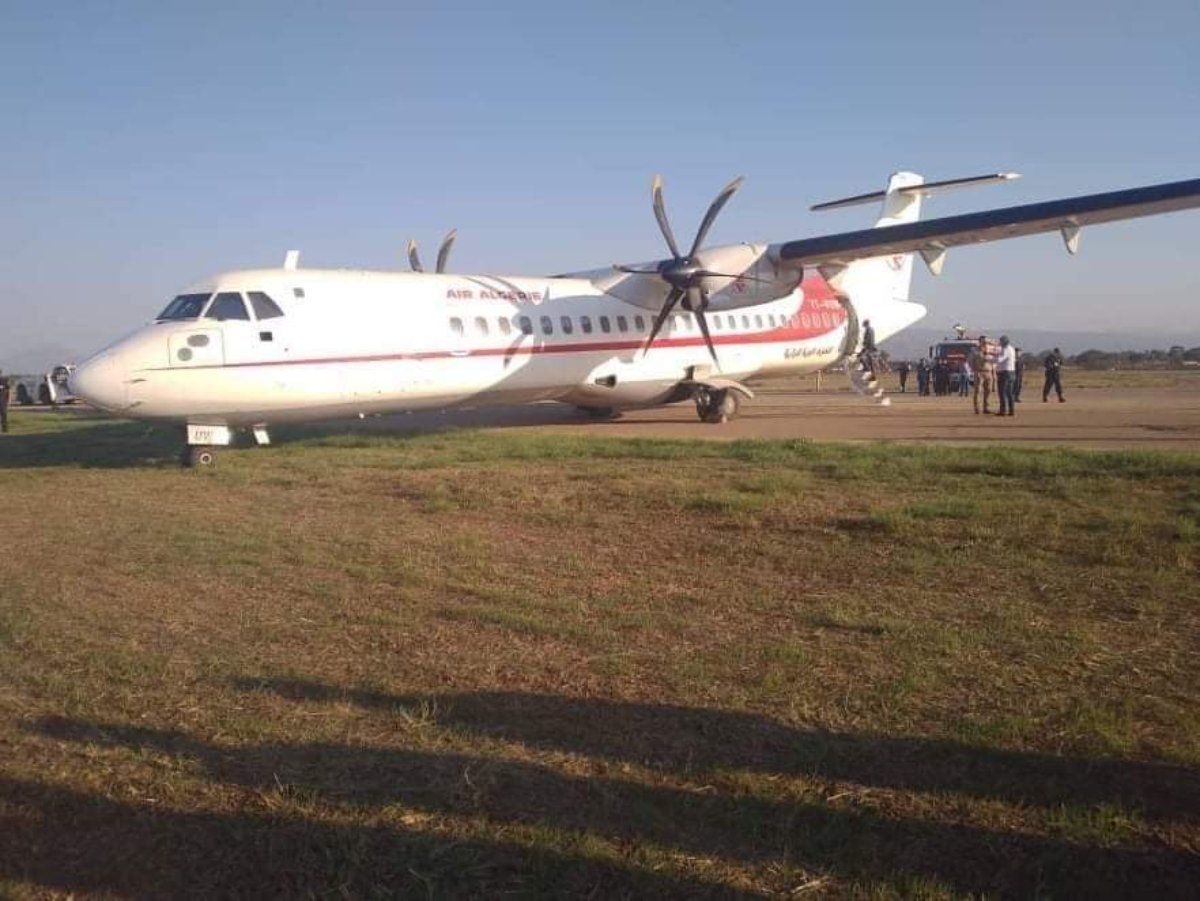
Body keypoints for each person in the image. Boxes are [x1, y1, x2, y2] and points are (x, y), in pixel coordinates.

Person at [971, 336, 996, 415]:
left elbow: (993, 363)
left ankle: (986, 407)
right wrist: (974, 370)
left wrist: (994, 373)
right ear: (980, 341)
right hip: (979, 372)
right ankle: (977, 408)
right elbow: (970, 361)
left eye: (986, 341)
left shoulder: (990, 350)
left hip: (988, 372)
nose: (985, 342)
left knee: (988, 390)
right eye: (983, 341)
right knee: (978, 391)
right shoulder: (975, 351)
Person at [995, 335, 1017, 416]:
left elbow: (1000, 360)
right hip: (1011, 372)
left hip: (1005, 373)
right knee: (1009, 393)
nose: (999, 343)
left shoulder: (1006, 349)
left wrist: (995, 354)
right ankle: (1011, 410)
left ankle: (1003, 410)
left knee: (1002, 392)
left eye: (1000, 341)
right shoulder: (1011, 349)